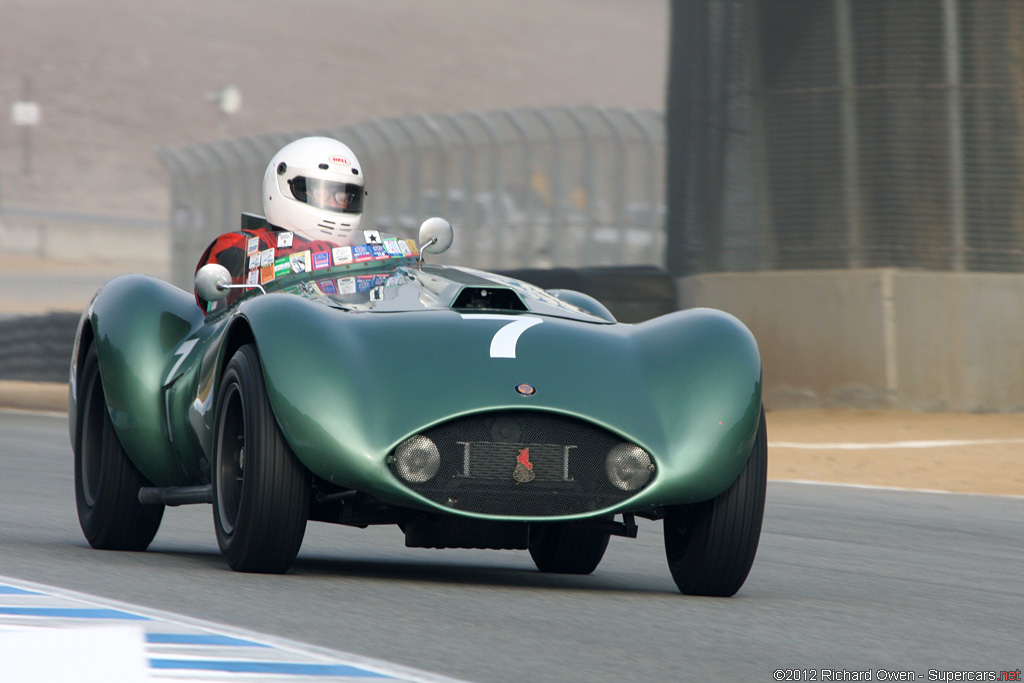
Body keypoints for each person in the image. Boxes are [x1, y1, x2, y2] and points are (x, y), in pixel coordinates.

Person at [194, 136, 367, 312]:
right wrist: (306, 260)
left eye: (344, 197)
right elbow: (226, 284)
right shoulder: (244, 244)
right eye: (320, 193)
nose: (334, 203)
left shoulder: (363, 254)